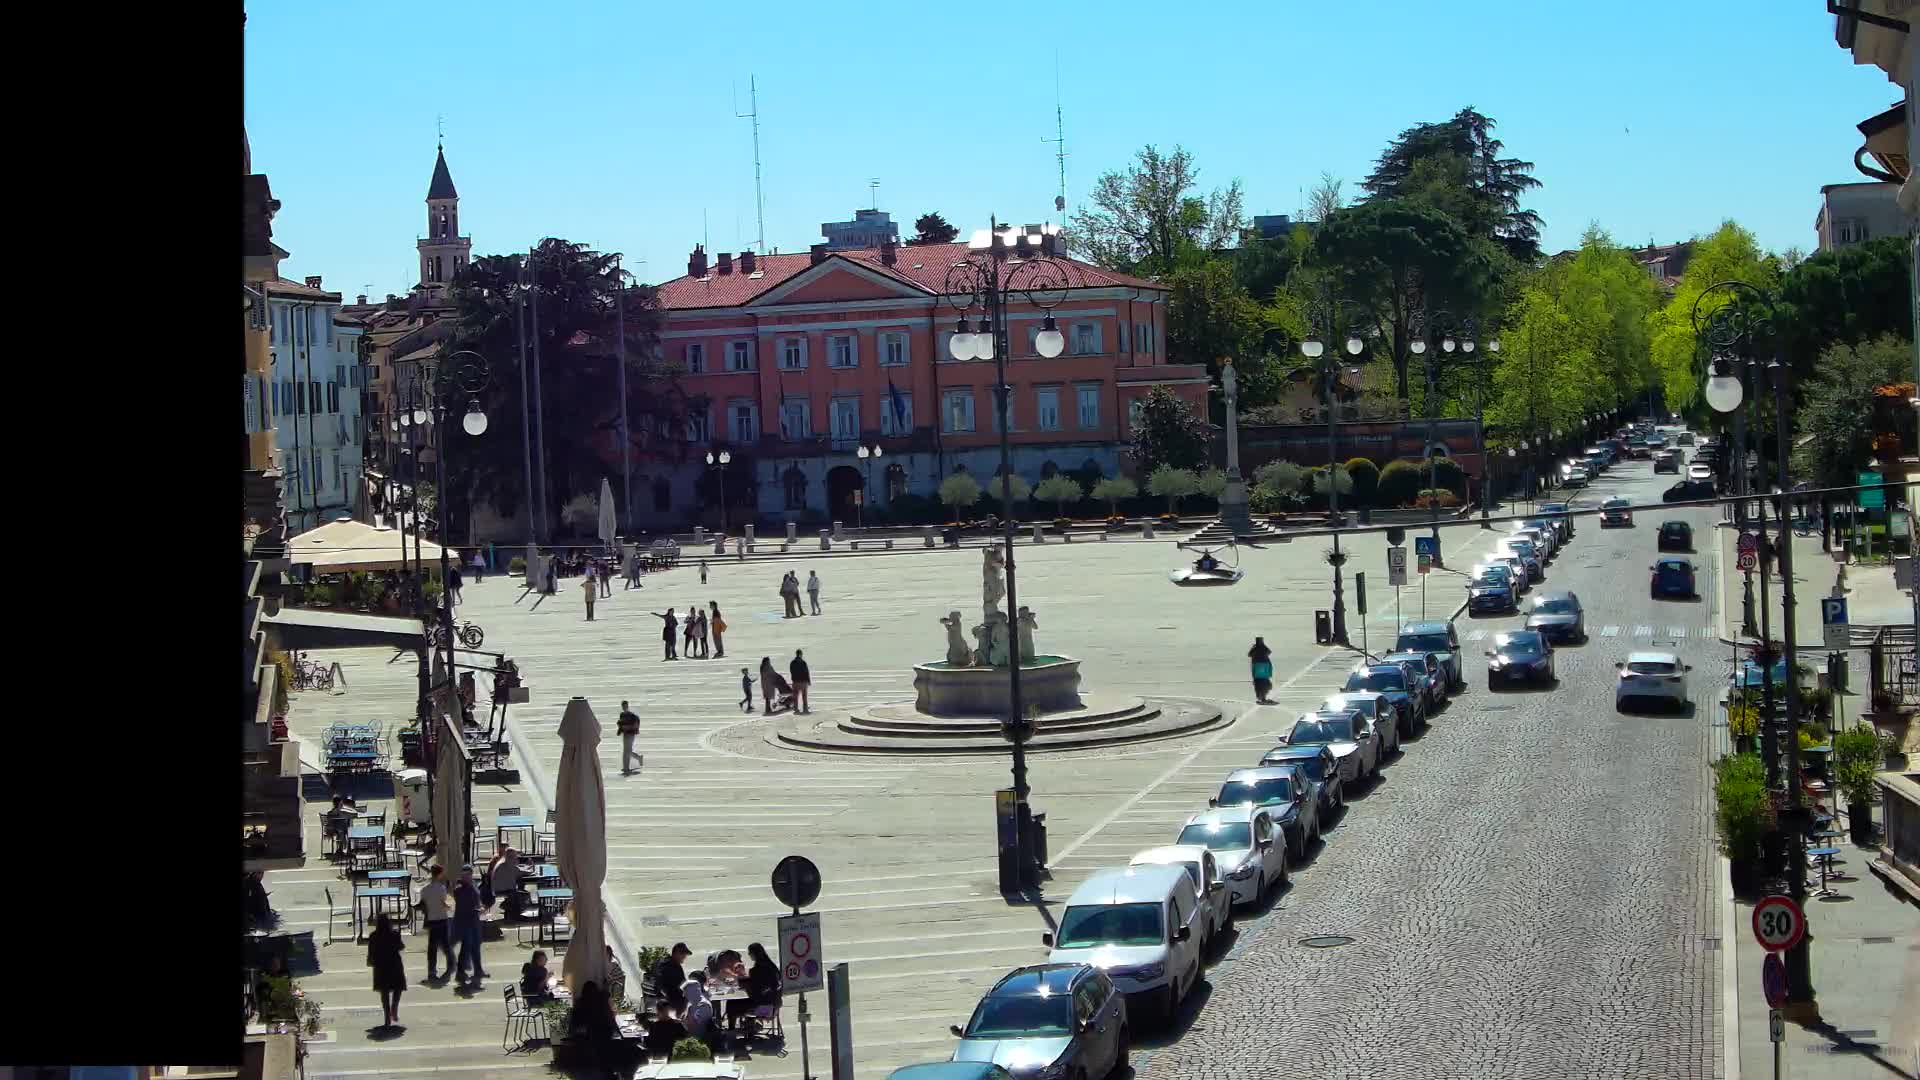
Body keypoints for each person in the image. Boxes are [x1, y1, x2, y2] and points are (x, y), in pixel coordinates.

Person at [367, 912, 407, 1028]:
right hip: (394, 964)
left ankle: (387, 1017)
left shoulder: (373, 936)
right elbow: (401, 946)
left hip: (380, 966)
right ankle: (394, 1008)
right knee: (397, 988)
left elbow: (371, 952)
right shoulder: (394, 934)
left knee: (384, 993)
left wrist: (370, 961)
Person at [417, 864, 455, 980]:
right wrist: (449, 907)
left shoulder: (424, 889)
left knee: (432, 948)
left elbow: (422, 903)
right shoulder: (441, 888)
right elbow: (444, 903)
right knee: (446, 945)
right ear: (439, 874)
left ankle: (432, 971)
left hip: (431, 920)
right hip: (442, 919)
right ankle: (451, 965)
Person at [452, 864, 488, 984]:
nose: (467, 876)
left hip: (474, 921)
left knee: (476, 946)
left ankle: (478, 970)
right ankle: (460, 972)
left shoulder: (473, 885)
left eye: (469, 874)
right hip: (464, 922)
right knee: (466, 947)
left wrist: (481, 907)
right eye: (465, 874)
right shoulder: (459, 888)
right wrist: (478, 910)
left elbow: (477, 900)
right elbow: (464, 906)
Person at [734, 942, 781, 1029]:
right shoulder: (772, 967)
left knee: (732, 1005)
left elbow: (753, 991)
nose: (749, 954)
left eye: (750, 952)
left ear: (754, 954)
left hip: (763, 1008)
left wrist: (740, 975)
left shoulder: (756, 970)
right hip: (775, 1006)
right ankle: (751, 1025)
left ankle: (733, 1030)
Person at [652, 943, 692, 1012]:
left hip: (667, 1001)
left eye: (685, 954)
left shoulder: (668, 963)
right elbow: (660, 984)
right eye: (683, 954)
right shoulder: (669, 965)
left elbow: (683, 983)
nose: (685, 957)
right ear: (676, 953)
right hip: (671, 1003)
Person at [680, 970, 714, 1038]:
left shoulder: (703, 1005)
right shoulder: (692, 1002)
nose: (684, 995)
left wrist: (680, 1021)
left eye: (686, 992)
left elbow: (696, 1024)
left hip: (700, 1037)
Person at [617, 699, 641, 776]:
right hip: (625, 734)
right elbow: (621, 724)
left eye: (625, 706)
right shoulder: (622, 714)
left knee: (627, 751)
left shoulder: (632, 715)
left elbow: (634, 725)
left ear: (627, 706)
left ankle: (626, 768)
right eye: (623, 706)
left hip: (631, 734)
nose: (624, 707)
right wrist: (620, 728)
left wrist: (627, 727)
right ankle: (638, 758)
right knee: (627, 751)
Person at [1248, 636, 1275, 705]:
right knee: (1262, 683)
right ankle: (1263, 698)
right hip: (1261, 667)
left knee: (1262, 683)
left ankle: (1263, 698)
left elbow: (1250, 654)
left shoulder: (1258, 649)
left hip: (1261, 668)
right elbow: (1269, 652)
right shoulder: (1263, 648)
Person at [790, 649, 812, 714]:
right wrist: (808, 681)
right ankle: (805, 709)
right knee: (804, 696)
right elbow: (806, 672)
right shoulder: (803, 662)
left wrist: (793, 679)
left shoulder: (792, 663)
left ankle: (796, 710)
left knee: (795, 696)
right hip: (803, 681)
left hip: (795, 682)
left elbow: (791, 671)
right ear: (800, 654)